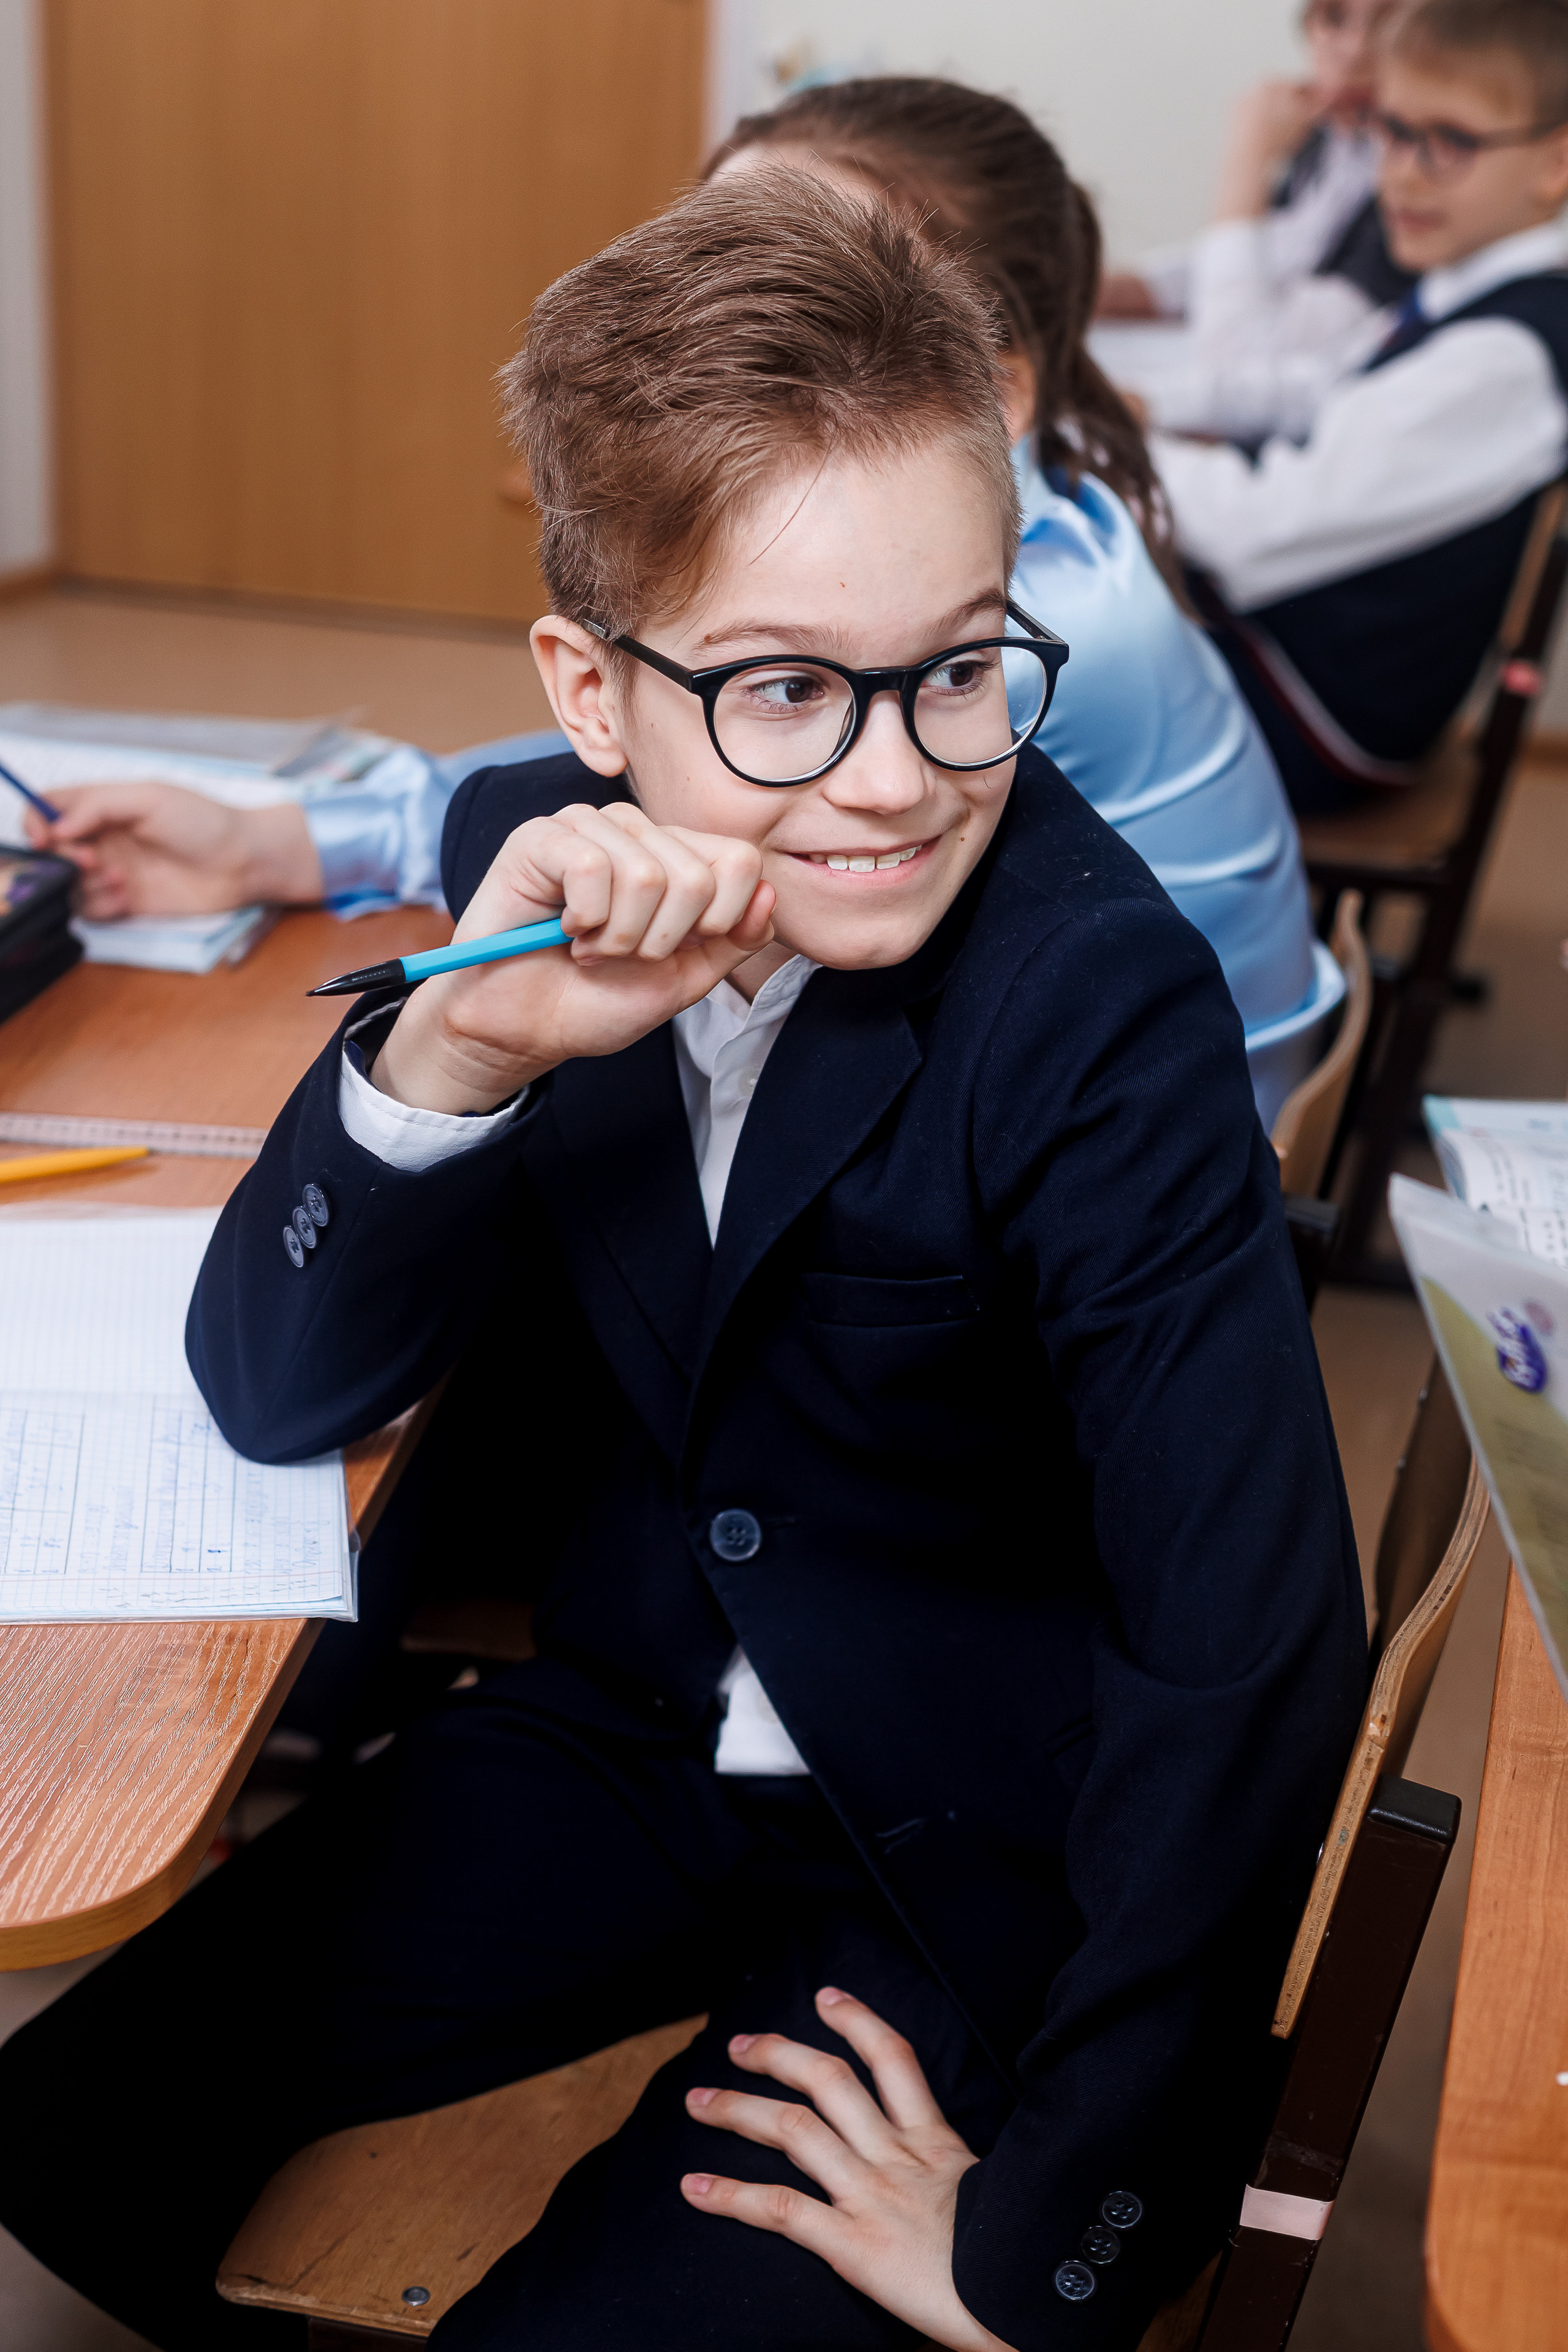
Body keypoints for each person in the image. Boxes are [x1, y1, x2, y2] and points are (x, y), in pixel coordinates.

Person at [0, 172, 1364, 2352]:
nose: (896, 777)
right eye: (780, 694)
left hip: (967, 1833)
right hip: (633, 1725)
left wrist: (1051, 2238)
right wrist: (450, 1041)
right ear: (588, 689)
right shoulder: (506, 857)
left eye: (956, 669)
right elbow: (274, 1390)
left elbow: (1252, 1644)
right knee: (69, 2128)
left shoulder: (1085, 1001)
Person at [26, 78, 1336, 1130]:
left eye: (795, 287)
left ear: (967, 376)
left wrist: (279, 843)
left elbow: (635, 790)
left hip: (1114, 1150)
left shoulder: (1015, 636)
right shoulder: (1026, 543)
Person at [710, 78, 1338, 1126]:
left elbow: (655, 790)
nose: (711, 341)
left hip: (1141, 1142)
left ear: (996, 395)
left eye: (805, 309)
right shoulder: (1021, 522)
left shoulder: (1000, 634)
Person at [1156, 0, 1568, 815]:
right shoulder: (1461, 287)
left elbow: (1252, 532)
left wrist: (1101, 442)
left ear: (1557, 163)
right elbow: (1320, 387)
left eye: (1448, 142)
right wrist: (1137, 408)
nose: (1400, 172)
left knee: (1044, 659)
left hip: (1322, 716)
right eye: (1391, 130)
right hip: (1301, 652)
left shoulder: (1505, 356)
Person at [1093, 0, 1415, 443]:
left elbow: (1238, 362)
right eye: (1335, 18)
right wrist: (1115, 290)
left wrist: (1247, 160)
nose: (1355, 50)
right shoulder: (1336, 141)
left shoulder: (1414, 198)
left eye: (1389, 22)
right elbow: (1271, 258)